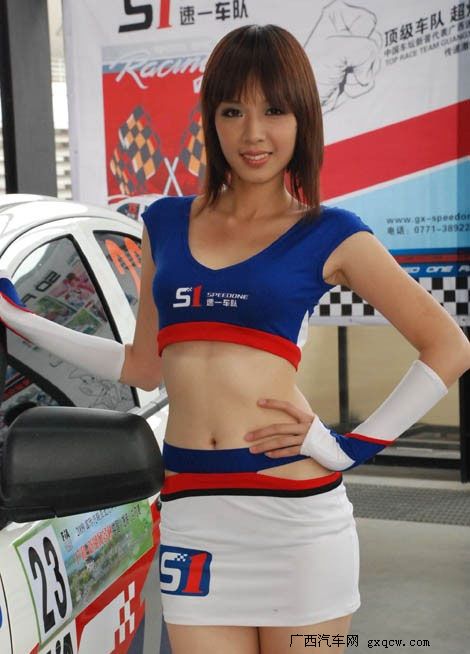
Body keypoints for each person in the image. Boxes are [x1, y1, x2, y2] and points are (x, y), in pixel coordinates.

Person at [0, 23, 469, 654]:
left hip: (297, 519)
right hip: (195, 515)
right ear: (211, 120)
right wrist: (26, 322)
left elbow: (449, 346)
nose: (253, 134)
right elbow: (143, 367)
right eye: (233, 111)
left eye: (274, 111)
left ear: (302, 120)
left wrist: (348, 448)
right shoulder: (164, 223)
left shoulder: (331, 233)